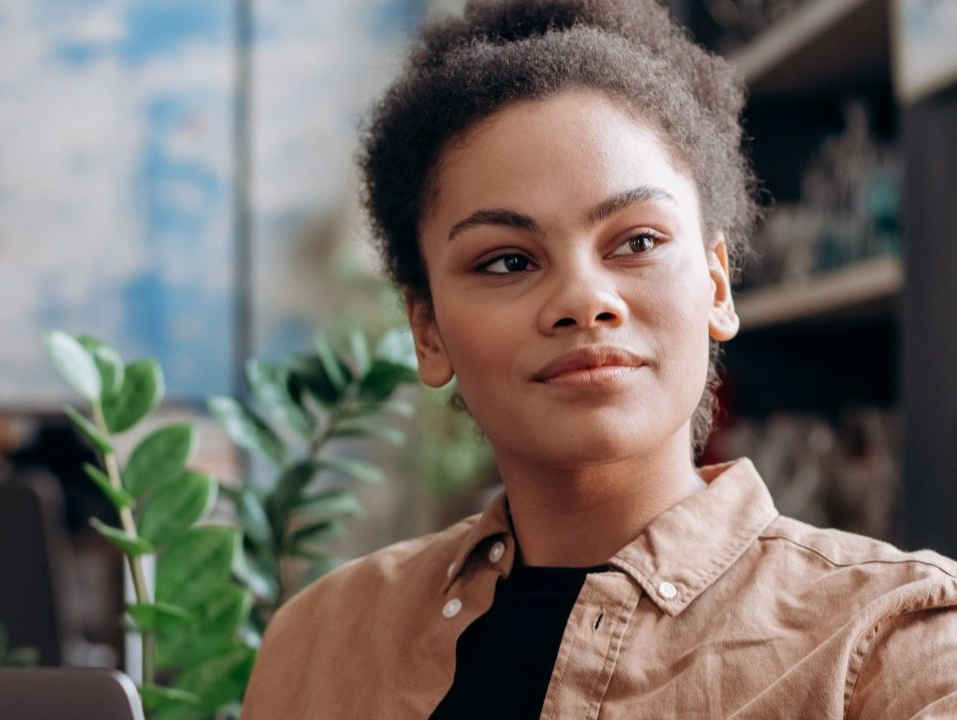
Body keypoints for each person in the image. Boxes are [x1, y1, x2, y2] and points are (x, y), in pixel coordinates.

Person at [239, 0, 957, 717]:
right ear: (426, 330)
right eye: (507, 260)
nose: (584, 301)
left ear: (716, 284)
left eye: (637, 241)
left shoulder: (896, 639)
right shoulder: (319, 639)